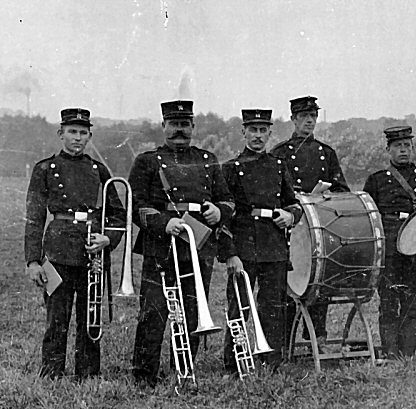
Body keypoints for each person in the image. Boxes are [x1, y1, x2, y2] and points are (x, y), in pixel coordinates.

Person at [128, 100, 234, 387]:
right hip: (161, 244)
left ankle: (183, 370)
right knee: (153, 310)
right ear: (164, 126)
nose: (179, 130)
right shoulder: (147, 161)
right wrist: (164, 223)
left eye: (184, 124)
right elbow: (135, 203)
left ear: (193, 127)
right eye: (173, 124)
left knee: (192, 310)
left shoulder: (208, 159)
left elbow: (227, 199)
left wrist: (219, 211)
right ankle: (144, 374)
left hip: (199, 244)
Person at [24, 108, 125, 380]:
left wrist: (107, 238)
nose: (77, 138)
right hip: (56, 251)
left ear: (90, 136)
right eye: (72, 132)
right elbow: (34, 217)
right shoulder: (45, 168)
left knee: (89, 315)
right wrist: (33, 260)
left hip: (92, 250)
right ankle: (52, 373)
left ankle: (88, 373)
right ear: (61, 134)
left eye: (83, 133)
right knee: (56, 317)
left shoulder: (99, 169)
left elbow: (117, 213)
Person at [218, 109, 302, 374]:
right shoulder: (230, 168)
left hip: (274, 245)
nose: (257, 136)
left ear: (270, 133)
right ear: (243, 132)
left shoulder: (278, 166)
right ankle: (234, 362)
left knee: (273, 305)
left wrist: (290, 216)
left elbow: (294, 204)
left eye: (262, 131)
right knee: (239, 304)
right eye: (252, 130)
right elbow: (224, 214)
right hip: (244, 245)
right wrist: (230, 253)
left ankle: (271, 361)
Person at [270, 96, 349, 350]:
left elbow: (342, 191)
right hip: (290, 227)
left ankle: (317, 337)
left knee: (320, 280)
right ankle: (284, 342)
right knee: (289, 282)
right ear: (293, 119)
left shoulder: (326, 153)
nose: (309, 121)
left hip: (321, 227)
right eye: (304, 116)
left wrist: (327, 195)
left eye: (313, 116)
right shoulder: (279, 153)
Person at [363, 126, 416, 359]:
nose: (403, 150)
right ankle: (389, 352)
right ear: (388, 149)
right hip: (388, 246)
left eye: (407, 145)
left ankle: (408, 352)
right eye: (398, 146)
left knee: (411, 302)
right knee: (388, 301)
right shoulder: (376, 180)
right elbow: (368, 216)